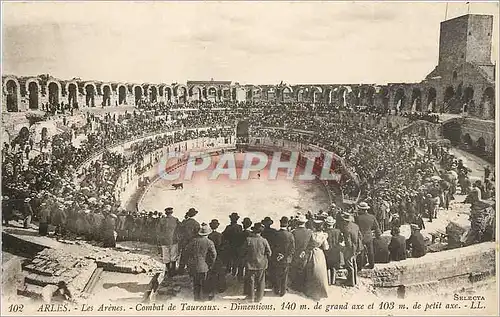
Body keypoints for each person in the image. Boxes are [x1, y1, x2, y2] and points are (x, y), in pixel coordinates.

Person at [183, 223, 217, 301]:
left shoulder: (193, 241)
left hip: (193, 266)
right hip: (204, 266)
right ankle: (204, 299)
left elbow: (186, 251)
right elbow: (214, 255)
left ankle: (196, 298)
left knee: (196, 283)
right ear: (208, 233)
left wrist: (189, 262)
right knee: (204, 283)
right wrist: (211, 264)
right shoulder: (209, 242)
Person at [242, 222, 271, 303]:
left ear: (253, 230)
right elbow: (269, 252)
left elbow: (243, 251)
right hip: (261, 264)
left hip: (250, 264)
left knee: (251, 281)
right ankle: (259, 298)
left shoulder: (248, 240)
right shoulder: (264, 240)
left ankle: (251, 297)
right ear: (261, 232)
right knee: (261, 281)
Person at [303, 219, 329, 300]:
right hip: (319, 253)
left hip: (312, 252)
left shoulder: (311, 234)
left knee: (311, 271)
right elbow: (326, 247)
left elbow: (308, 245)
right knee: (320, 271)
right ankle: (321, 291)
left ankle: (311, 291)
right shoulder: (323, 235)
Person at [271, 216, 295, 296]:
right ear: (287, 224)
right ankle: (283, 291)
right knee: (284, 275)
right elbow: (292, 249)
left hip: (276, 258)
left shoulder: (275, 234)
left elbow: (272, 246)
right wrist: (285, 256)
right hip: (286, 259)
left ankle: (277, 289)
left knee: (276, 273)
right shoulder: (290, 235)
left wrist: (278, 255)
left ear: (280, 223)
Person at [290, 214, 312, 292]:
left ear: (297, 223)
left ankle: (295, 286)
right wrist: (305, 251)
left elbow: (291, 244)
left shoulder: (293, 232)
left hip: (295, 253)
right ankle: (302, 286)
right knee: (303, 269)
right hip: (304, 254)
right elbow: (311, 244)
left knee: (294, 269)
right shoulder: (309, 232)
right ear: (304, 223)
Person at [355, 202, 381, 269]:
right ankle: (371, 264)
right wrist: (378, 236)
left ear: (361, 209)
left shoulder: (357, 218)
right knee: (370, 251)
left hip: (360, 237)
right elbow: (376, 227)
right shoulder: (372, 217)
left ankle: (360, 266)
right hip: (369, 236)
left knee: (360, 251)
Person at [341, 212, 363, 287]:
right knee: (354, 263)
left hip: (351, 248)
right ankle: (355, 280)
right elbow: (360, 236)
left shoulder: (346, 228)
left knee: (349, 265)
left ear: (345, 221)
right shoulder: (356, 226)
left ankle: (351, 282)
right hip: (357, 246)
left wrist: (349, 251)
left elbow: (348, 241)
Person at [207, 219, 226, 297]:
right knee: (220, 272)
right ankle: (221, 288)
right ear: (217, 226)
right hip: (219, 256)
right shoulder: (220, 235)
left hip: (211, 256)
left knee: (211, 272)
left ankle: (211, 288)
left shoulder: (209, 236)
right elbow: (223, 246)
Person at [159, 207, 180, 277]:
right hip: (173, 241)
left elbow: (158, 231)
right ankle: (173, 271)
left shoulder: (162, 220)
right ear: (172, 213)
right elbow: (179, 229)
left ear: (166, 213)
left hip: (164, 241)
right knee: (173, 256)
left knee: (166, 257)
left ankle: (168, 271)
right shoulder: (176, 220)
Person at [179, 208, 201, 274]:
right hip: (192, 242)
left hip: (184, 242)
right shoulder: (196, 223)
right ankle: (190, 270)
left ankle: (181, 270)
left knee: (183, 256)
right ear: (194, 215)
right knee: (191, 256)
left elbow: (180, 232)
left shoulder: (184, 222)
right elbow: (198, 234)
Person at [323, 216, 343, 285]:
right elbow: (341, 241)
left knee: (327, 266)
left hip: (327, 251)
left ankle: (328, 281)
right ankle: (333, 280)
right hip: (335, 251)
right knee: (333, 267)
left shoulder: (325, 232)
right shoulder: (338, 231)